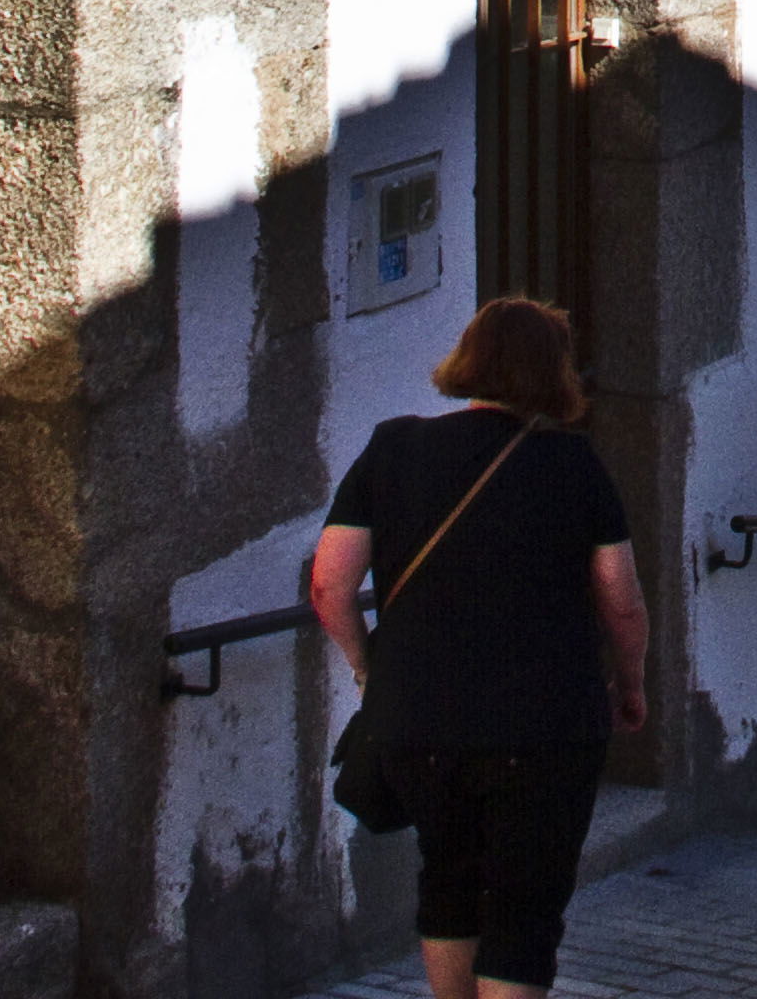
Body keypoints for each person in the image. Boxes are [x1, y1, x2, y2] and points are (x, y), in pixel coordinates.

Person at [312, 297, 651, 999]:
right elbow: (620, 595)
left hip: (419, 718)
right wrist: (631, 683)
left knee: (449, 880)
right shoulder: (572, 464)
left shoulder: (392, 447)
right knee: (525, 906)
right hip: (546, 723)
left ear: (468, 358)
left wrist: (365, 665)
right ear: (553, 374)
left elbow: (329, 584)